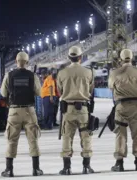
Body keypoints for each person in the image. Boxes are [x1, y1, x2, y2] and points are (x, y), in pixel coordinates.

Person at [0, 52, 43, 177]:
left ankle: (9, 170)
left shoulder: (9, 75)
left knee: (11, 140)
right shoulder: (32, 75)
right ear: (27, 62)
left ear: (16, 61)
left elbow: (3, 93)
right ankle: (36, 169)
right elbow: (39, 92)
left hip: (14, 111)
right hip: (29, 111)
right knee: (33, 140)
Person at [57, 46, 94, 175]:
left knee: (67, 137)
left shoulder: (62, 72)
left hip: (68, 109)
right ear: (80, 57)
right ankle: (86, 166)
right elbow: (90, 90)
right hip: (83, 109)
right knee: (86, 137)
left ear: (69, 57)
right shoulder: (88, 72)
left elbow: (59, 91)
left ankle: (67, 168)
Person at [108, 49, 137, 172]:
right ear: (132, 57)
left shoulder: (114, 73)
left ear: (120, 58)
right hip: (135, 105)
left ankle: (119, 163)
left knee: (120, 134)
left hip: (121, 106)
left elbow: (110, 87)